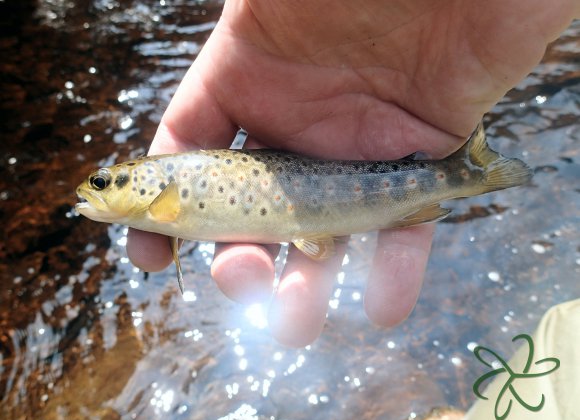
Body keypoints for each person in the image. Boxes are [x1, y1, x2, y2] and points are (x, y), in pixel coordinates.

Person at [126, 0, 579, 347]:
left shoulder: (165, 200)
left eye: (107, 182)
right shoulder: (164, 199)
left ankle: (466, 172)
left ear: (141, 183)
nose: (93, 192)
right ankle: (466, 173)